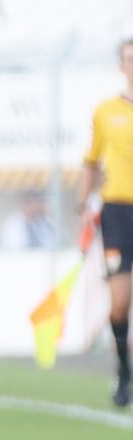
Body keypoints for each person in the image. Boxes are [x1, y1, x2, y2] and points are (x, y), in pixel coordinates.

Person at [76, 37, 133, 408]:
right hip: (118, 212)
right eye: (129, 59)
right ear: (120, 65)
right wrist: (82, 206)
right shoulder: (105, 111)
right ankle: (124, 370)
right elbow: (91, 163)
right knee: (119, 302)